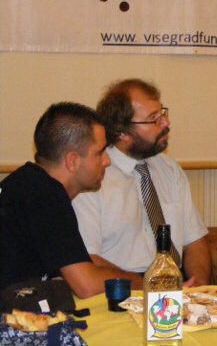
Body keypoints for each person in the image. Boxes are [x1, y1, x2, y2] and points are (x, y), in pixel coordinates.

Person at [73, 79, 211, 286]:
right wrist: (148, 286)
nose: (165, 123)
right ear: (122, 132)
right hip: (123, 288)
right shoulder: (92, 179)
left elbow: (194, 240)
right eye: (153, 119)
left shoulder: (170, 170)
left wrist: (198, 287)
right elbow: (89, 259)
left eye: (162, 113)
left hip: (177, 286)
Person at [0, 102, 143, 298]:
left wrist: (141, 279)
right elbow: (86, 286)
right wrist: (144, 284)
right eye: (100, 153)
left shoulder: (29, 185)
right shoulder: (45, 195)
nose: (107, 161)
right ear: (72, 161)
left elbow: (82, 263)